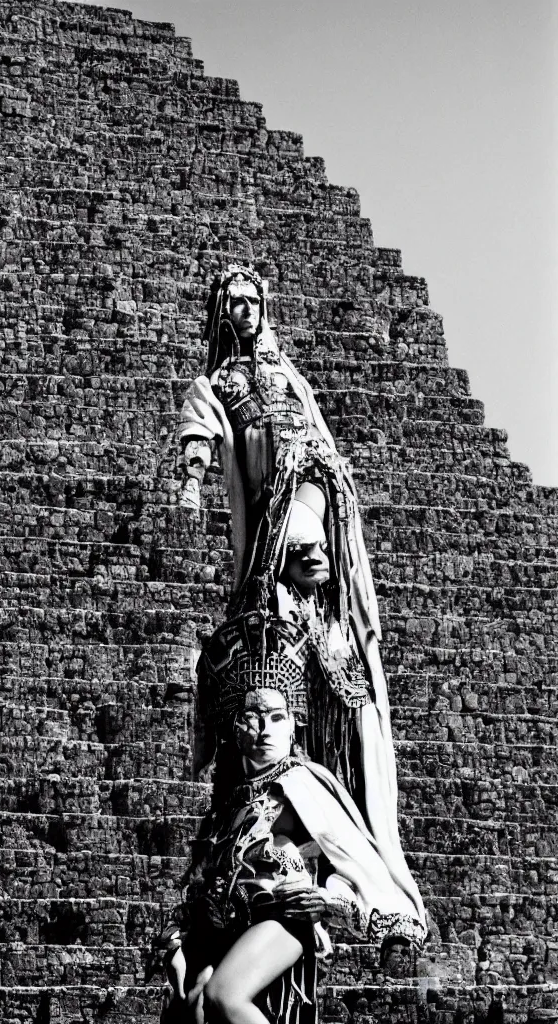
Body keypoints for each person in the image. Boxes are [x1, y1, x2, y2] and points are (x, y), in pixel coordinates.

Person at [177, 266, 424, 929]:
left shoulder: (291, 376)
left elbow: (316, 433)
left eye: (255, 301)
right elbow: (200, 430)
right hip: (268, 509)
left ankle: (336, 853)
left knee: (345, 692)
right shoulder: (218, 383)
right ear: (220, 314)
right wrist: (193, 478)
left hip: (311, 491)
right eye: (235, 302)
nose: (247, 311)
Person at [160, 681, 425, 1024]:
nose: (264, 729)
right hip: (233, 925)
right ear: (235, 729)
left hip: (283, 918)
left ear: (292, 729)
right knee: (195, 1001)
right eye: (252, 717)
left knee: (223, 995)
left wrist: (327, 900)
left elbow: (349, 857)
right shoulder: (230, 803)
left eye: (276, 717)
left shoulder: (303, 785)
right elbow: (212, 875)